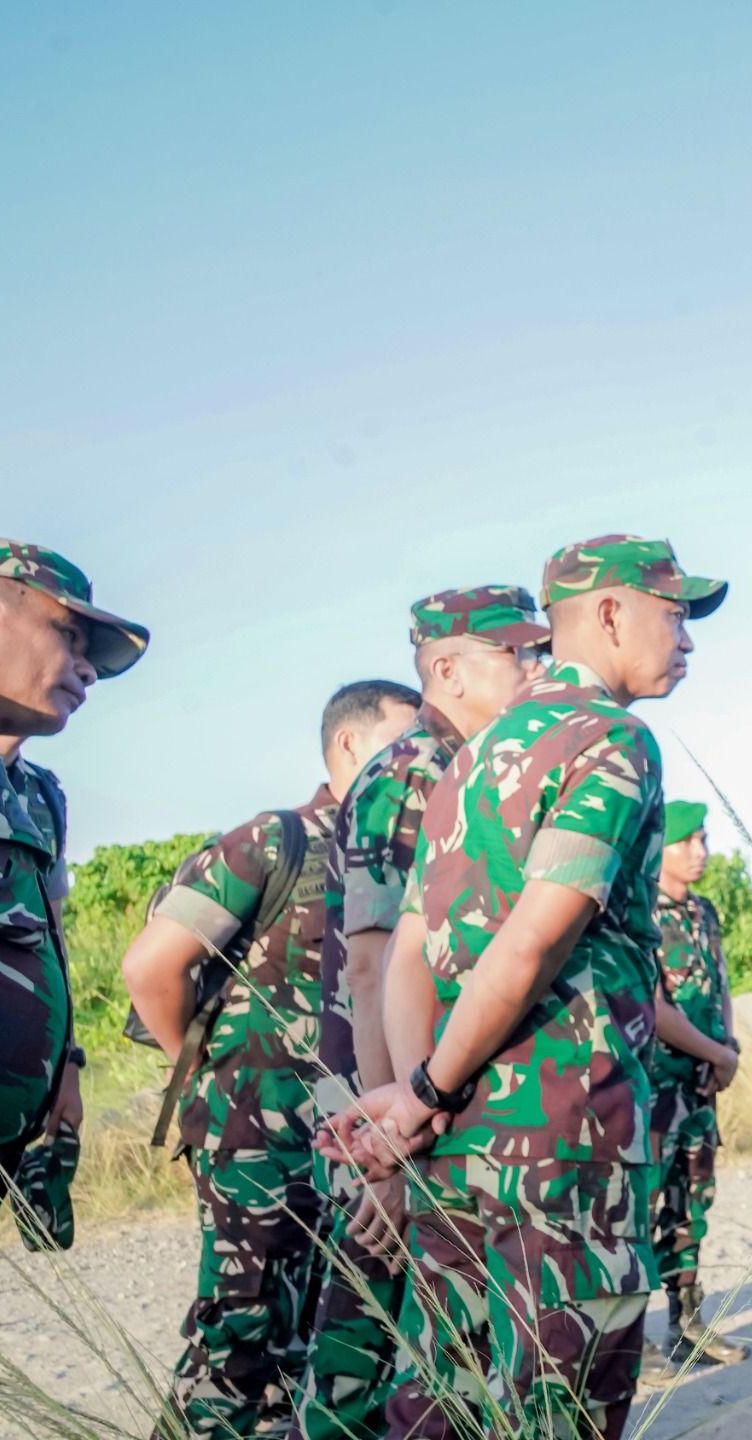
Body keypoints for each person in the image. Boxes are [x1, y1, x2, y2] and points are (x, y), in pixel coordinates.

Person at [318, 534, 723, 1440]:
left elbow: (416, 953)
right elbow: (534, 941)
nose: (688, 638)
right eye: (674, 613)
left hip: (460, 1147)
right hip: (563, 1136)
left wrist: (423, 1109)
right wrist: (424, 1090)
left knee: (443, 1399)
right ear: (610, 613)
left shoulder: (465, 758)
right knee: (563, 1403)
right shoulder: (612, 738)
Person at [122, 679, 421, 1438]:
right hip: (260, 1143)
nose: (425, 757)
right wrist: (204, 1085)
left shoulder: (402, 853)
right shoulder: (277, 840)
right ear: (351, 744)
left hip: (356, 1149)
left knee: (324, 1352)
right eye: (406, 736)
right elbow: (152, 968)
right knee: (240, 1348)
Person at [297, 586, 548, 1440]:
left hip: (417, 1117)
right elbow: (375, 970)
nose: (538, 666)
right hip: (394, 1128)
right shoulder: (416, 773)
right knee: (369, 1377)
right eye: (518, 652)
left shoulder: (472, 765)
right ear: (447, 670)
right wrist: (387, 1153)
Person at [0, 536, 147, 1257]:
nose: (86, 670)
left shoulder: (36, 794)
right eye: (67, 634)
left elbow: (44, 936)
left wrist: (64, 1067)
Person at [635, 801, 747, 1379]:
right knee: (638, 1208)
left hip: (698, 1088)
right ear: (661, 848)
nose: (699, 852)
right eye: (687, 842)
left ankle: (686, 1325)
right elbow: (653, 1009)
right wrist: (718, 1053)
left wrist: (727, 1046)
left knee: (690, 1206)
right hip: (651, 1090)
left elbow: (722, 979)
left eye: (702, 840)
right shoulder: (638, 912)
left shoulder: (704, 912)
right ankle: (630, 1345)